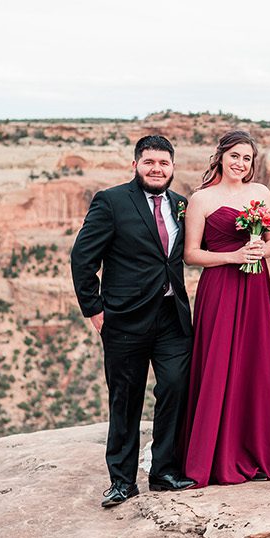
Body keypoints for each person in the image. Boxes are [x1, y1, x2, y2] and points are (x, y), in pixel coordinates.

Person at [70, 135, 196, 507]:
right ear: (136, 165)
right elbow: (82, 258)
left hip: (172, 317)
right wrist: (94, 309)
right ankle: (122, 481)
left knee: (174, 388)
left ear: (173, 167)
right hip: (124, 320)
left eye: (164, 163)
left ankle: (164, 471)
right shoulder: (111, 202)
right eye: (150, 162)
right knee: (125, 400)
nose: (157, 169)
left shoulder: (180, 204)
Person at [180, 129, 270, 486]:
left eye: (247, 159)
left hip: (255, 287)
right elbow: (191, 254)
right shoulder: (202, 199)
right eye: (235, 156)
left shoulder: (261, 193)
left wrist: (259, 251)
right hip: (220, 288)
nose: (240, 164)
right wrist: (234, 256)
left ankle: (253, 452)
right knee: (218, 363)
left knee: (253, 363)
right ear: (221, 156)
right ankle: (213, 456)